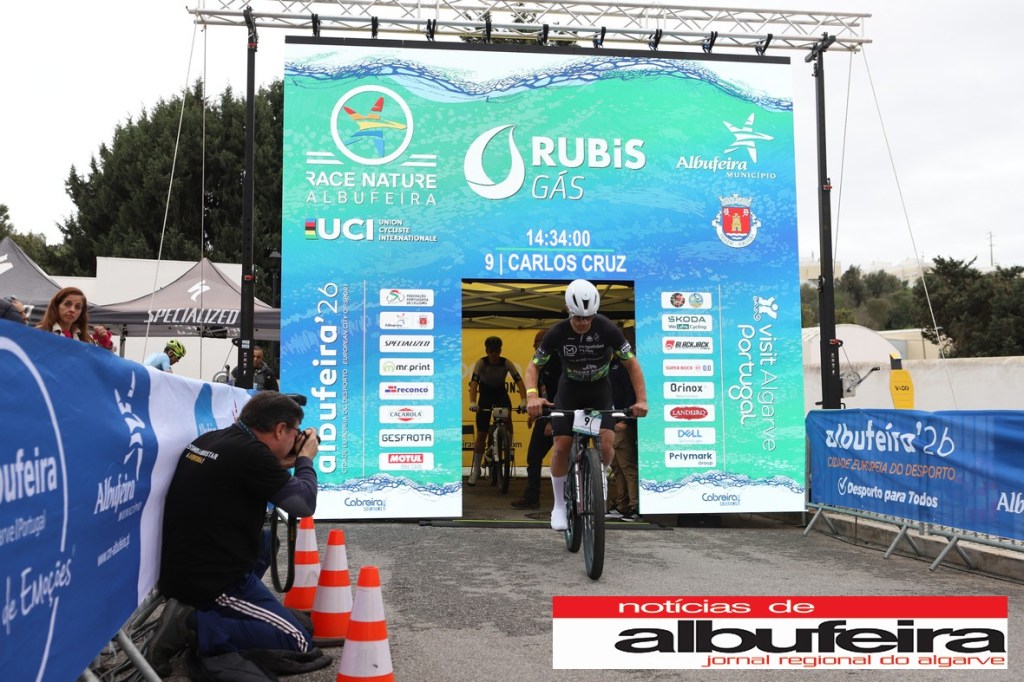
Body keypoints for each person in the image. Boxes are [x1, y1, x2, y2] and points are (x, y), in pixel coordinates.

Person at [153, 391, 329, 676]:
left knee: (267, 544)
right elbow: (303, 504)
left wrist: (286, 460)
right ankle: (191, 624)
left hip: (186, 566)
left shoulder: (213, 439)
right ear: (280, 429)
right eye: (294, 431)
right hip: (214, 581)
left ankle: (207, 615)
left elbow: (249, 470)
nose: (296, 438)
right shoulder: (250, 455)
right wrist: (305, 459)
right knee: (297, 640)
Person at [525, 279, 648, 531]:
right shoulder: (557, 332)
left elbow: (632, 365)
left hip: (599, 390)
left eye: (588, 317)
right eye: (578, 318)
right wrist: (532, 396)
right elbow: (533, 367)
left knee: (607, 442)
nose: (583, 323)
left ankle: (597, 476)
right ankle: (559, 505)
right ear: (568, 311)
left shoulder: (607, 328)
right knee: (562, 446)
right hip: (569, 390)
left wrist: (641, 400)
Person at [467, 335, 528, 486]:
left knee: (508, 418)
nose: (494, 354)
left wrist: (523, 400)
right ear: (486, 351)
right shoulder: (481, 363)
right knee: (481, 433)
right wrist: (473, 402)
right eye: (491, 351)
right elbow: (474, 383)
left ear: (500, 351)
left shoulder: (506, 363)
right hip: (485, 395)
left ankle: (508, 446)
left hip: (500, 394)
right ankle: (476, 470)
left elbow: (519, 382)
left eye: (496, 351)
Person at [511, 330, 561, 510]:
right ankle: (532, 497)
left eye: (537, 344)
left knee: (559, 456)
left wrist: (552, 421)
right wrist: (534, 413)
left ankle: (560, 498)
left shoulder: (557, 361)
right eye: (534, 345)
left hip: (558, 414)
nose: (535, 347)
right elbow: (540, 391)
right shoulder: (540, 362)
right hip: (545, 413)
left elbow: (560, 393)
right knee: (534, 456)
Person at [606, 349, 640, 521]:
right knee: (617, 467)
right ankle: (622, 505)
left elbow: (631, 392)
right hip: (611, 422)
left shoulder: (625, 364)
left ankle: (635, 506)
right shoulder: (610, 364)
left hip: (622, 422)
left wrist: (626, 420)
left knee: (627, 466)